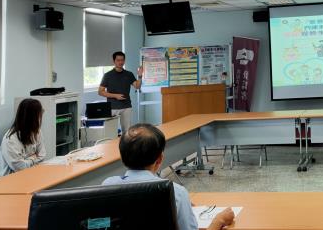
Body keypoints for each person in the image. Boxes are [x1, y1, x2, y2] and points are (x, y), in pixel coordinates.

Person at [103, 124, 234, 230]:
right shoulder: (176, 192)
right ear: (160, 159)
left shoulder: (107, 186)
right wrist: (219, 221)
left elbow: (101, 223)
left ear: (122, 158)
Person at [0, 98, 45, 177]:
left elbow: (42, 156)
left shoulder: (37, 132)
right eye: (39, 114)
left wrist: (27, 161)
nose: (41, 118)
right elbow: (20, 168)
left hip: (30, 174)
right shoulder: (10, 139)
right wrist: (33, 158)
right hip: (9, 179)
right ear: (31, 118)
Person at [98, 51, 143, 134]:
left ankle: (125, 142)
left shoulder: (129, 74)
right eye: (118, 60)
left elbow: (137, 86)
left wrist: (140, 76)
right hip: (112, 107)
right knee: (110, 132)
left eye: (122, 60)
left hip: (126, 106)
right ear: (114, 61)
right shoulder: (108, 75)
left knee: (127, 131)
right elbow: (100, 92)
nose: (120, 62)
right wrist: (115, 96)